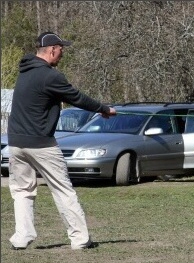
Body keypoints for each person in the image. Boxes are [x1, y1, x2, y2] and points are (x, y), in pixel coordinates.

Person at [7, 31, 116, 250]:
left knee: (22, 191)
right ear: (52, 49)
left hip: (16, 143)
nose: (62, 53)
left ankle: (22, 237)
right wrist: (104, 109)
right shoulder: (50, 76)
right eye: (61, 49)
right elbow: (77, 97)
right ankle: (80, 239)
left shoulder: (25, 72)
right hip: (40, 143)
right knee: (63, 190)